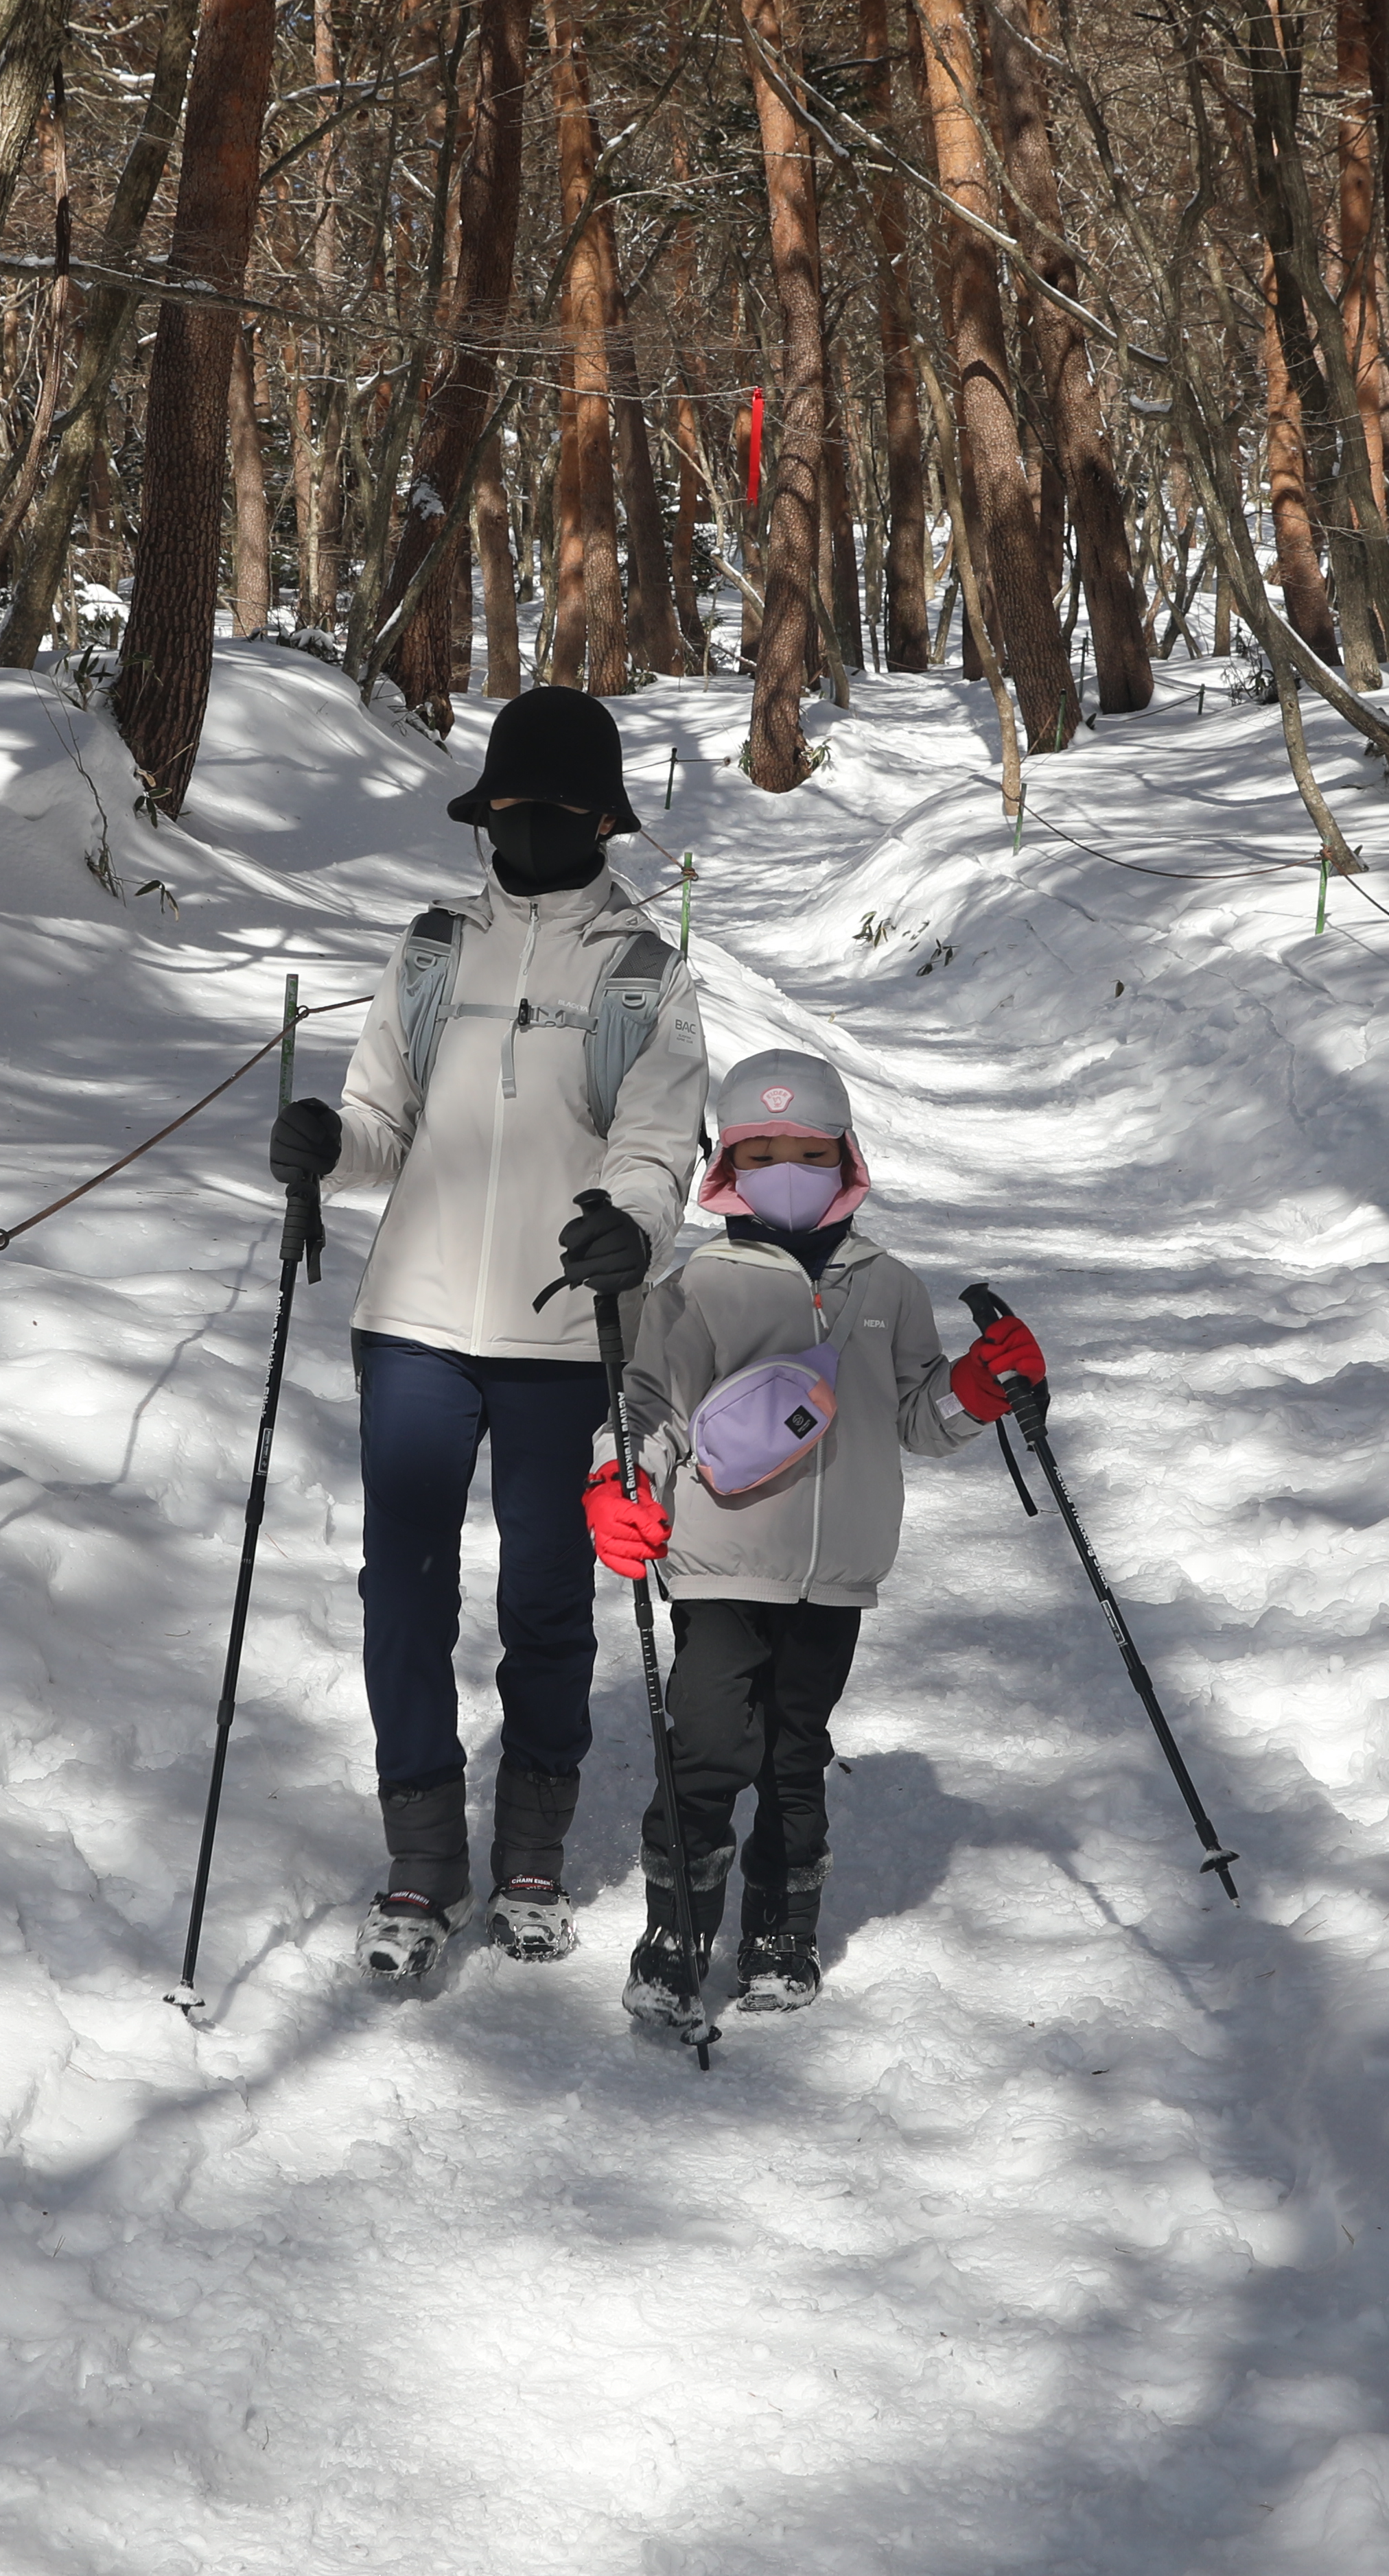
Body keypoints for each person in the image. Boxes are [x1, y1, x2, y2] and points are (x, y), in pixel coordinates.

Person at [268, 685, 709, 1978]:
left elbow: (656, 1145)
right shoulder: (429, 953)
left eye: (554, 812)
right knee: (398, 1597)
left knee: (544, 1594)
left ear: (602, 822)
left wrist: (633, 1227)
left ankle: (531, 1845)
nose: (527, 832)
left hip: (560, 1332)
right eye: (509, 811)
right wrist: (323, 1146)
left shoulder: (643, 975)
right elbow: (381, 1123)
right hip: (412, 1318)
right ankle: (421, 1859)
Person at [583, 1048, 1044, 2021]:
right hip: (718, 1561)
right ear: (727, 1169)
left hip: (836, 1576)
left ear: (847, 1159)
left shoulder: (891, 1285)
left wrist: (976, 1388)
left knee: (795, 1751)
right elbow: (648, 1406)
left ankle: (779, 1934)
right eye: (761, 1152)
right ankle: (674, 1930)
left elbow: (919, 1418)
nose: (786, 1170)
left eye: (808, 1150)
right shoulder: (696, 1283)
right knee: (706, 1745)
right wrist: (617, 1478)